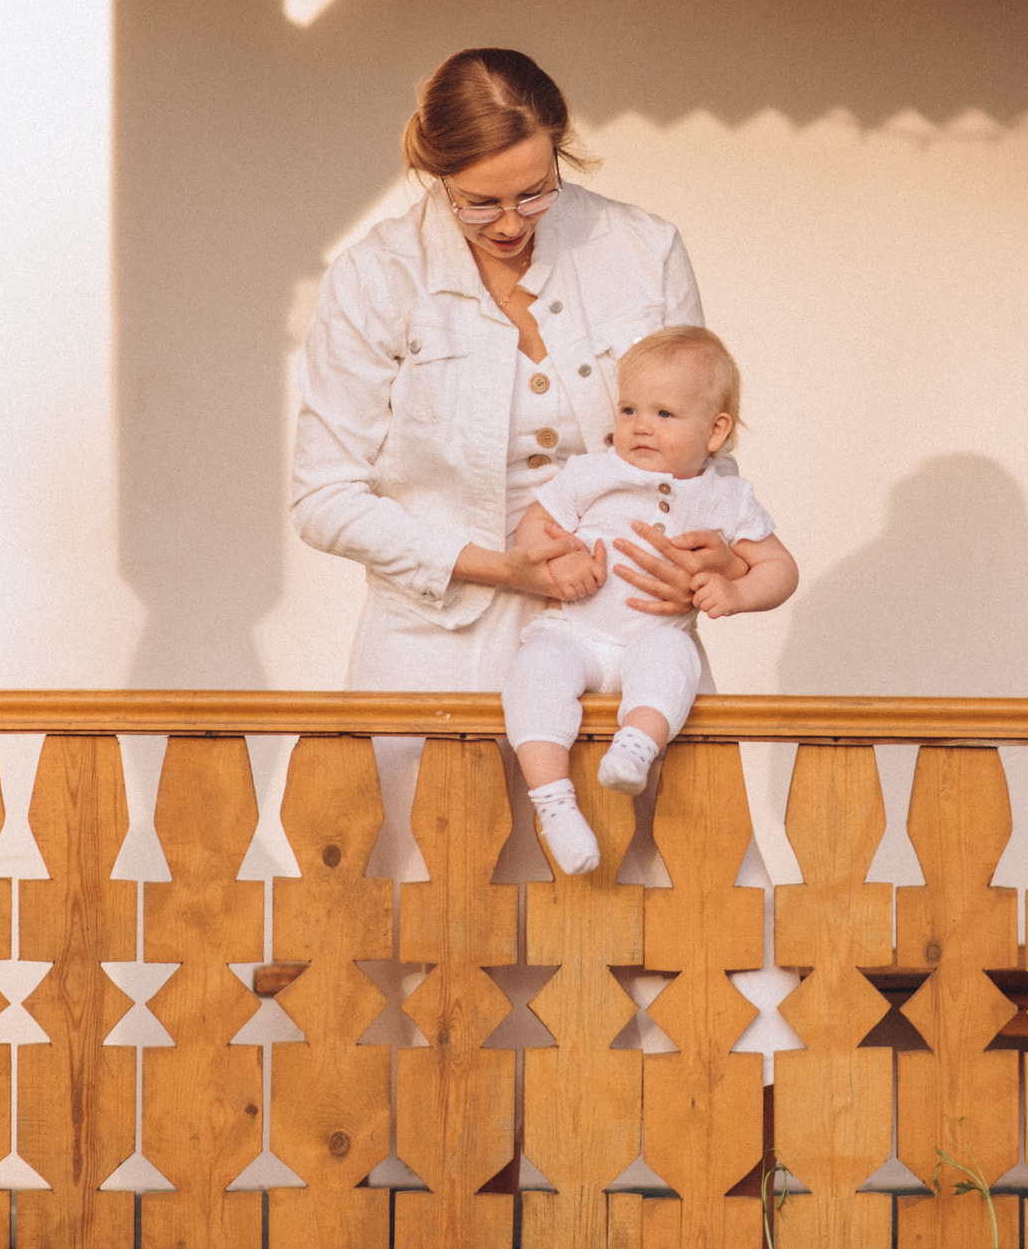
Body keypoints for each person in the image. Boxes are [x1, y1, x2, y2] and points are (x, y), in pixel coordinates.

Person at [291, 48, 748, 690]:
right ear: (436, 173)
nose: (510, 224)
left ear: (560, 150)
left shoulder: (645, 250)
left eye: (535, 194)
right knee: (435, 796)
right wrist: (502, 568)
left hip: (629, 628)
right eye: (478, 203)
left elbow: (705, 446)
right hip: (433, 644)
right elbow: (323, 496)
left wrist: (717, 548)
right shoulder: (375, 276)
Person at [503, 328, 797, 873]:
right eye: (629, 408)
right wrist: (558, 558)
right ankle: (554, 803)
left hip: (652, 635)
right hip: (575, 632)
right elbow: (535, 524)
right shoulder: (592, 472)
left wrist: (735, 589)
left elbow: (780, 570)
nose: (640, 425)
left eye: (664, 414)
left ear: (715, 432)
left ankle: (636, 748)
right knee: (534, 673)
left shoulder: (728, 496)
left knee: (673, 661)